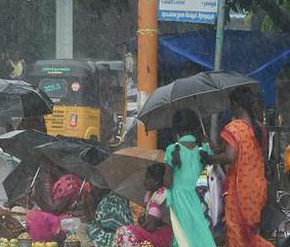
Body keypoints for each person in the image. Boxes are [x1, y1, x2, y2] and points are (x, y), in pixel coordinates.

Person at [211, 87, 273, 247]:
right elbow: (256, 154)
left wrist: (210, 158)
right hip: (257, 188)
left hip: (239, 189)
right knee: (250, 234)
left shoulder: (235, 127)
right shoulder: (259, 128)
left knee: (237, 233)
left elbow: (230, 156)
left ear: (236, 104)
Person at [164, 109, 216, 247]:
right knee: (201, 231)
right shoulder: (203, 149)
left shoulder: (172, 150)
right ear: (195, 128)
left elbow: (167, 182)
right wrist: (207, 142)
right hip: (200, 197)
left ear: (176, 130)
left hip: (179, 199)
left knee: (182, 235)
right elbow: (212, 168)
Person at [114, 164, 173, 247]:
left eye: (148, 178)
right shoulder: (151, 194)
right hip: (157, 232)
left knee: (125, 232)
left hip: (163, 234)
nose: (145, 181)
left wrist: (143, 223)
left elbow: (150, 226)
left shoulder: (161, 194)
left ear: (156, 181)